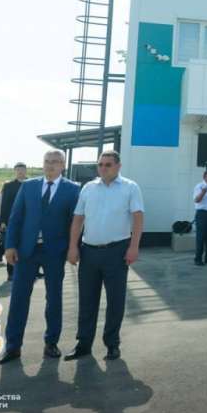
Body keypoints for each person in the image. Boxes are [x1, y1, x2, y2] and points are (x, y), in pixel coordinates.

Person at [0, 150, 80, 363]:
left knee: (54, 298)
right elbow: (16, 217)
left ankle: (51, 343)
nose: (50, 165)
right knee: (19, 298)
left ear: (63, 165)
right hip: (26, 251)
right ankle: (13, 346)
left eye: (55, 162)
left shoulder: (73, 189)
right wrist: (10, 246)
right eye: (47, 161)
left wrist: (73, 248)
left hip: (54, 251)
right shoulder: (29, 186)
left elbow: (75, 222)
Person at [65, 151, 144, 361]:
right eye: (100, 164)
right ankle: (83, 344)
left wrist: (134, 247)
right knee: (87, 300)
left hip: (117, 251)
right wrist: (72, 247)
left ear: (118, 166)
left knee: (115, 300)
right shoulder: (88, 188)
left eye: (108, 164)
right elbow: (78, 218)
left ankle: (112, 344)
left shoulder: (130, 187)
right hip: (89, 251)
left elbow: (138, 218)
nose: (103, 168)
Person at [0, 162, 27, 281]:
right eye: (18, 170)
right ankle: (11, 273)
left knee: (27, 246)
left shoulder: (32, 184)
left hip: (28, 221)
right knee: (11, 246)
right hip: (12, 221)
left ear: (26, 171)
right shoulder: (9, 185)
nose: (20, 172)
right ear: (15, 171)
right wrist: (3, 221)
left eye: (22, 169)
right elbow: (4, 204)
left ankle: (27, 271)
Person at [192, 169, 207, 266]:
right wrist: (203, 192)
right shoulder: (199, 186)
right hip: (202, 214)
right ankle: (198, 258)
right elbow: (196, 200)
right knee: (201, 237)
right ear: (205, 177)